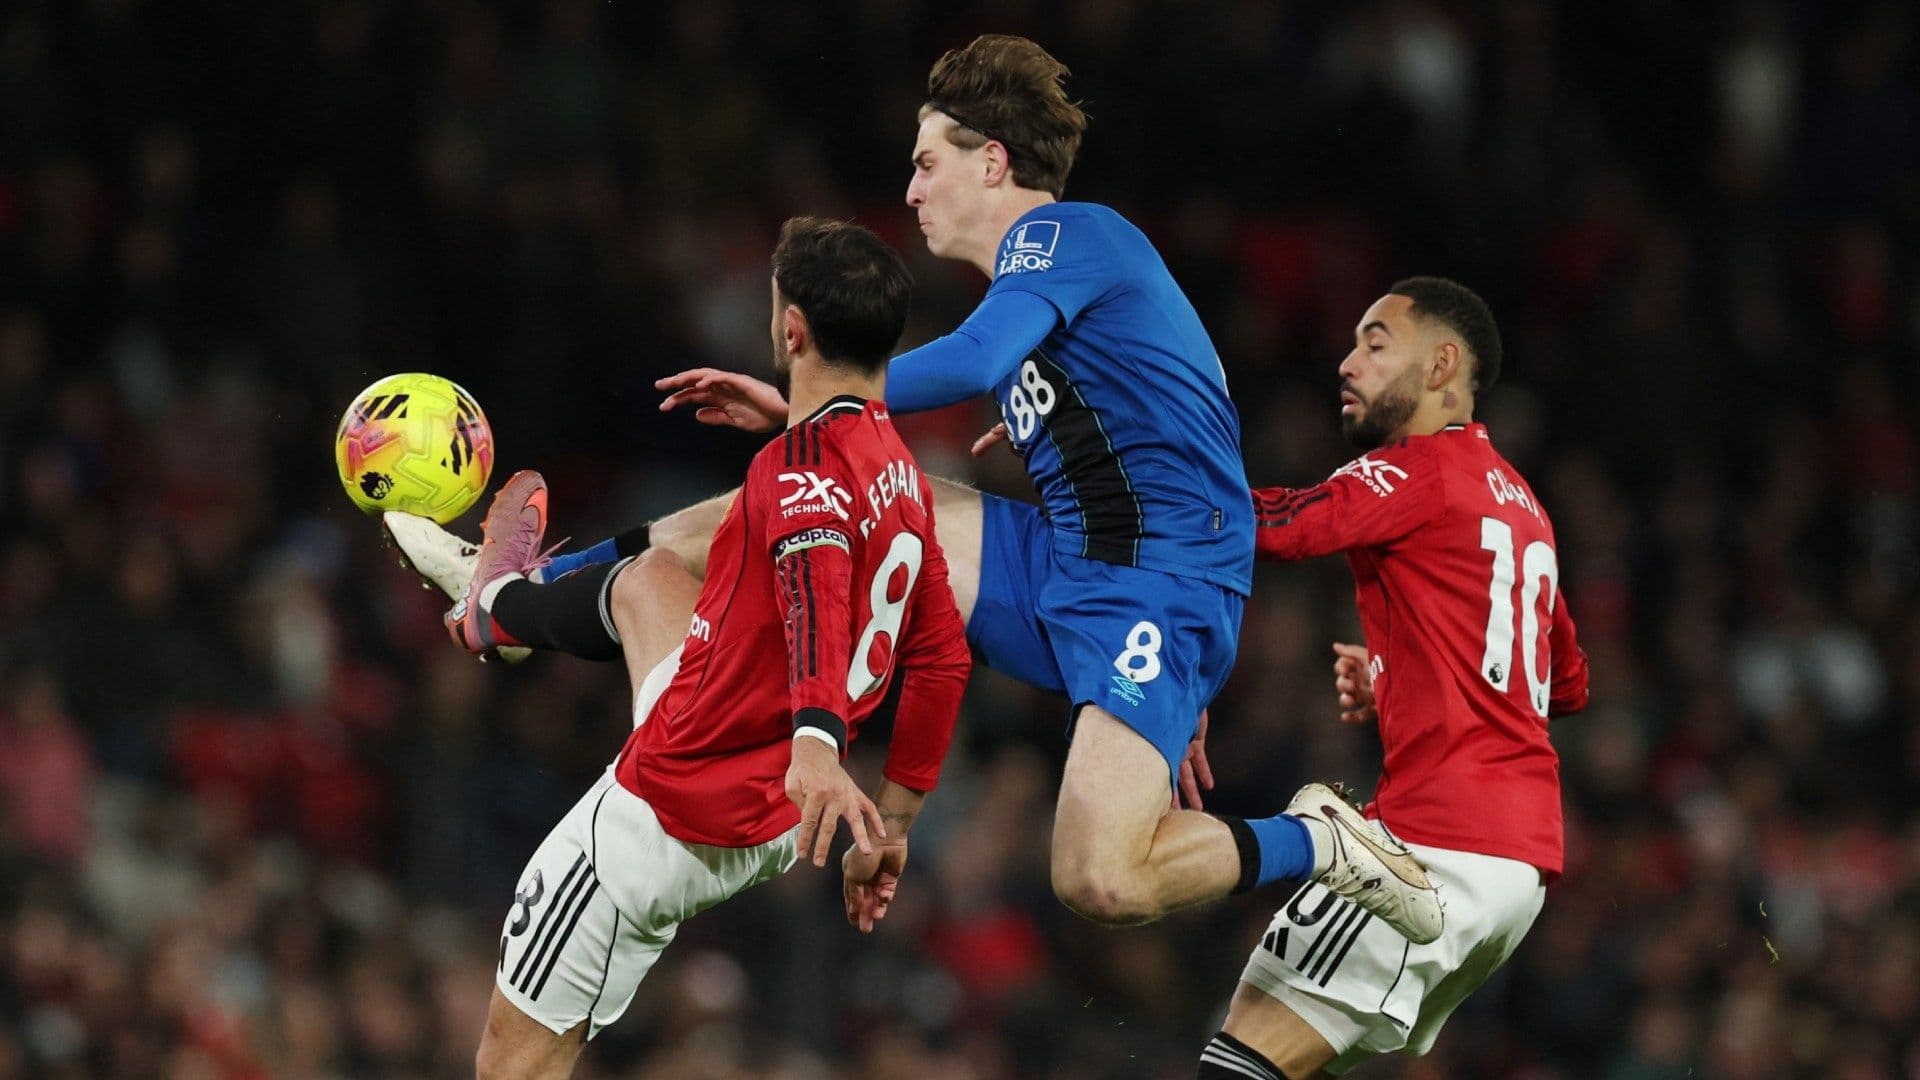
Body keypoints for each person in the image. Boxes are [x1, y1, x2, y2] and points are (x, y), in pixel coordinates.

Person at [391, 34, 1442, 943]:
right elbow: (1134, 405)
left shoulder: (1067, 236)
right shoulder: (1046, 303)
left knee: (1099, 877)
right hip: (1068, 566)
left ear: (993, 161)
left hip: (1155, 593)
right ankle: (517, 597)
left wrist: (814, 391)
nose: (910, 190)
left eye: (927, 163)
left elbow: (987, 362)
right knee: (776, 505)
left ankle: (1324, 844)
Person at [466, 217, 971, 1079]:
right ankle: (499, 610)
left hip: (675, 801)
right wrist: (891, 827)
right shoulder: (903, 474)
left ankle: (490, 608)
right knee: (650, 578)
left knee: (510, 1064)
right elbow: (943, 660)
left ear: (791, 329)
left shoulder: (796, 470)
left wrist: (816, 746)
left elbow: (813, 596)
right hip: (773, 809)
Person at [1195, 278, 1591, 1080]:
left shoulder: (1420, 470)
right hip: (1517, 864)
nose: (1348, 362)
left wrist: (1117, 474)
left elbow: (1272, 526)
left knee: (1236, 1067)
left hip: (1437, 845)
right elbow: (1563, 682)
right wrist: (1404, 674)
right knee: (1251, 1048)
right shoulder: (1522, 504)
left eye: (1375, 344)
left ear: (1444, 364)